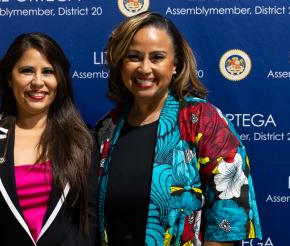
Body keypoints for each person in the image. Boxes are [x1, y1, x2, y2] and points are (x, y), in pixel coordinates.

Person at [94, 12, 262, 246]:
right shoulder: (106, 129)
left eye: (157, 57)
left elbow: (231, 208)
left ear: (175, 64)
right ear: (120, 62)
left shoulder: (201, 119)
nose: (144, 68)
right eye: (133, 57)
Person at [0, 32, 96, 246]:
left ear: (59, 80)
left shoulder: (83, 138)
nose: (38, 82)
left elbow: (88, 218)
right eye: (27, 71)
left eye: (48, 71)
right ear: (10, 79)